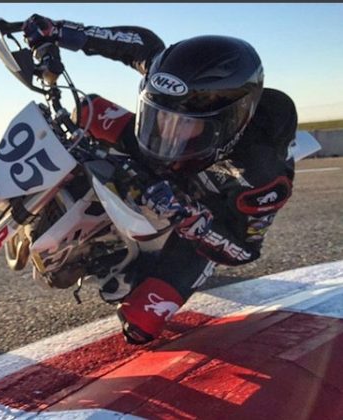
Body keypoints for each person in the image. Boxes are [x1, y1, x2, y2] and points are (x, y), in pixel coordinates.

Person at [22, 14, 298, 344]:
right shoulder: (173, 94)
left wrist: (190, 218)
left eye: (185, 126)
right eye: (158, 117)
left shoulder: (263, 177)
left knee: (140, 326)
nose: (167, 133)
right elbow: (140, 45)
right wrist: (60, 32)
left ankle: (147, 263)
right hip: (175, 164)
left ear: (229, 123)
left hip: (201, 206)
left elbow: (244, 250)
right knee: (86, 110)